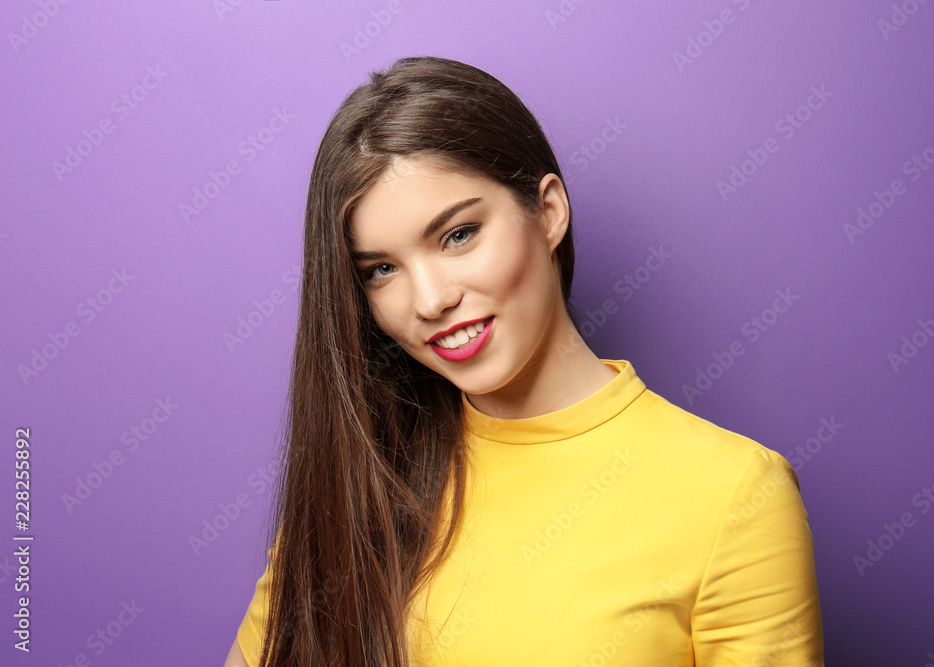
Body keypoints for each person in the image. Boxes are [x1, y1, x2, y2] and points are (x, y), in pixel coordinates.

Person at [224, 55, 824, 667]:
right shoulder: (360, 480)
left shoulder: (734, 496)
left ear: (549, 211)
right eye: (382, 270)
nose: (431, 300)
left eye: (458, 235)